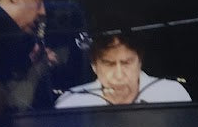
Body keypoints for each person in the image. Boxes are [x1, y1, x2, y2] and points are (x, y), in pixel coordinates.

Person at [55, 31, 190, 107]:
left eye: (126, 63)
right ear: (94, 66)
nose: (119, 75)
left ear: (140, 62)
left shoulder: (171, 93)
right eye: (109, 64)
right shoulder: (71, 102)